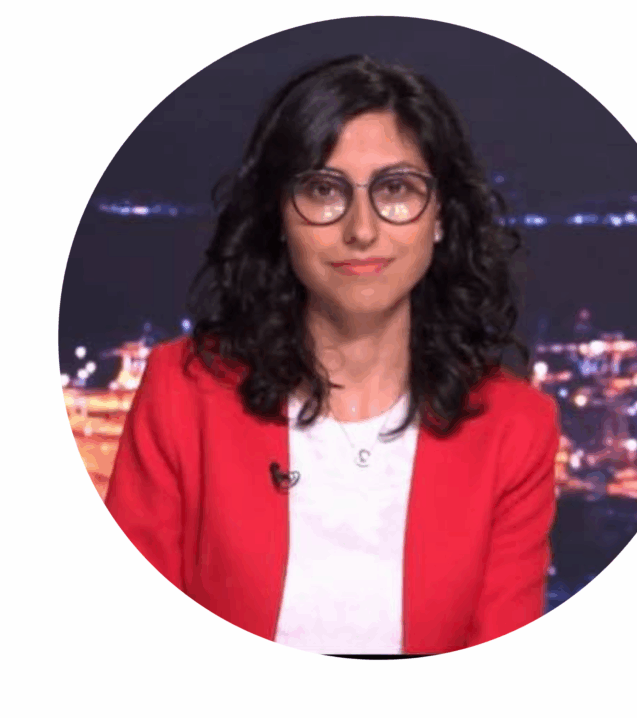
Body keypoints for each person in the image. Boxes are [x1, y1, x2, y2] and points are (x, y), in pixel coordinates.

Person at [105, 55, 561, 656]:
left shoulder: (516, 426)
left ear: (441, 217)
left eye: (396, 190)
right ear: (279, 215)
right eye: (324, 190)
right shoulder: (182, 391)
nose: (362, 230)